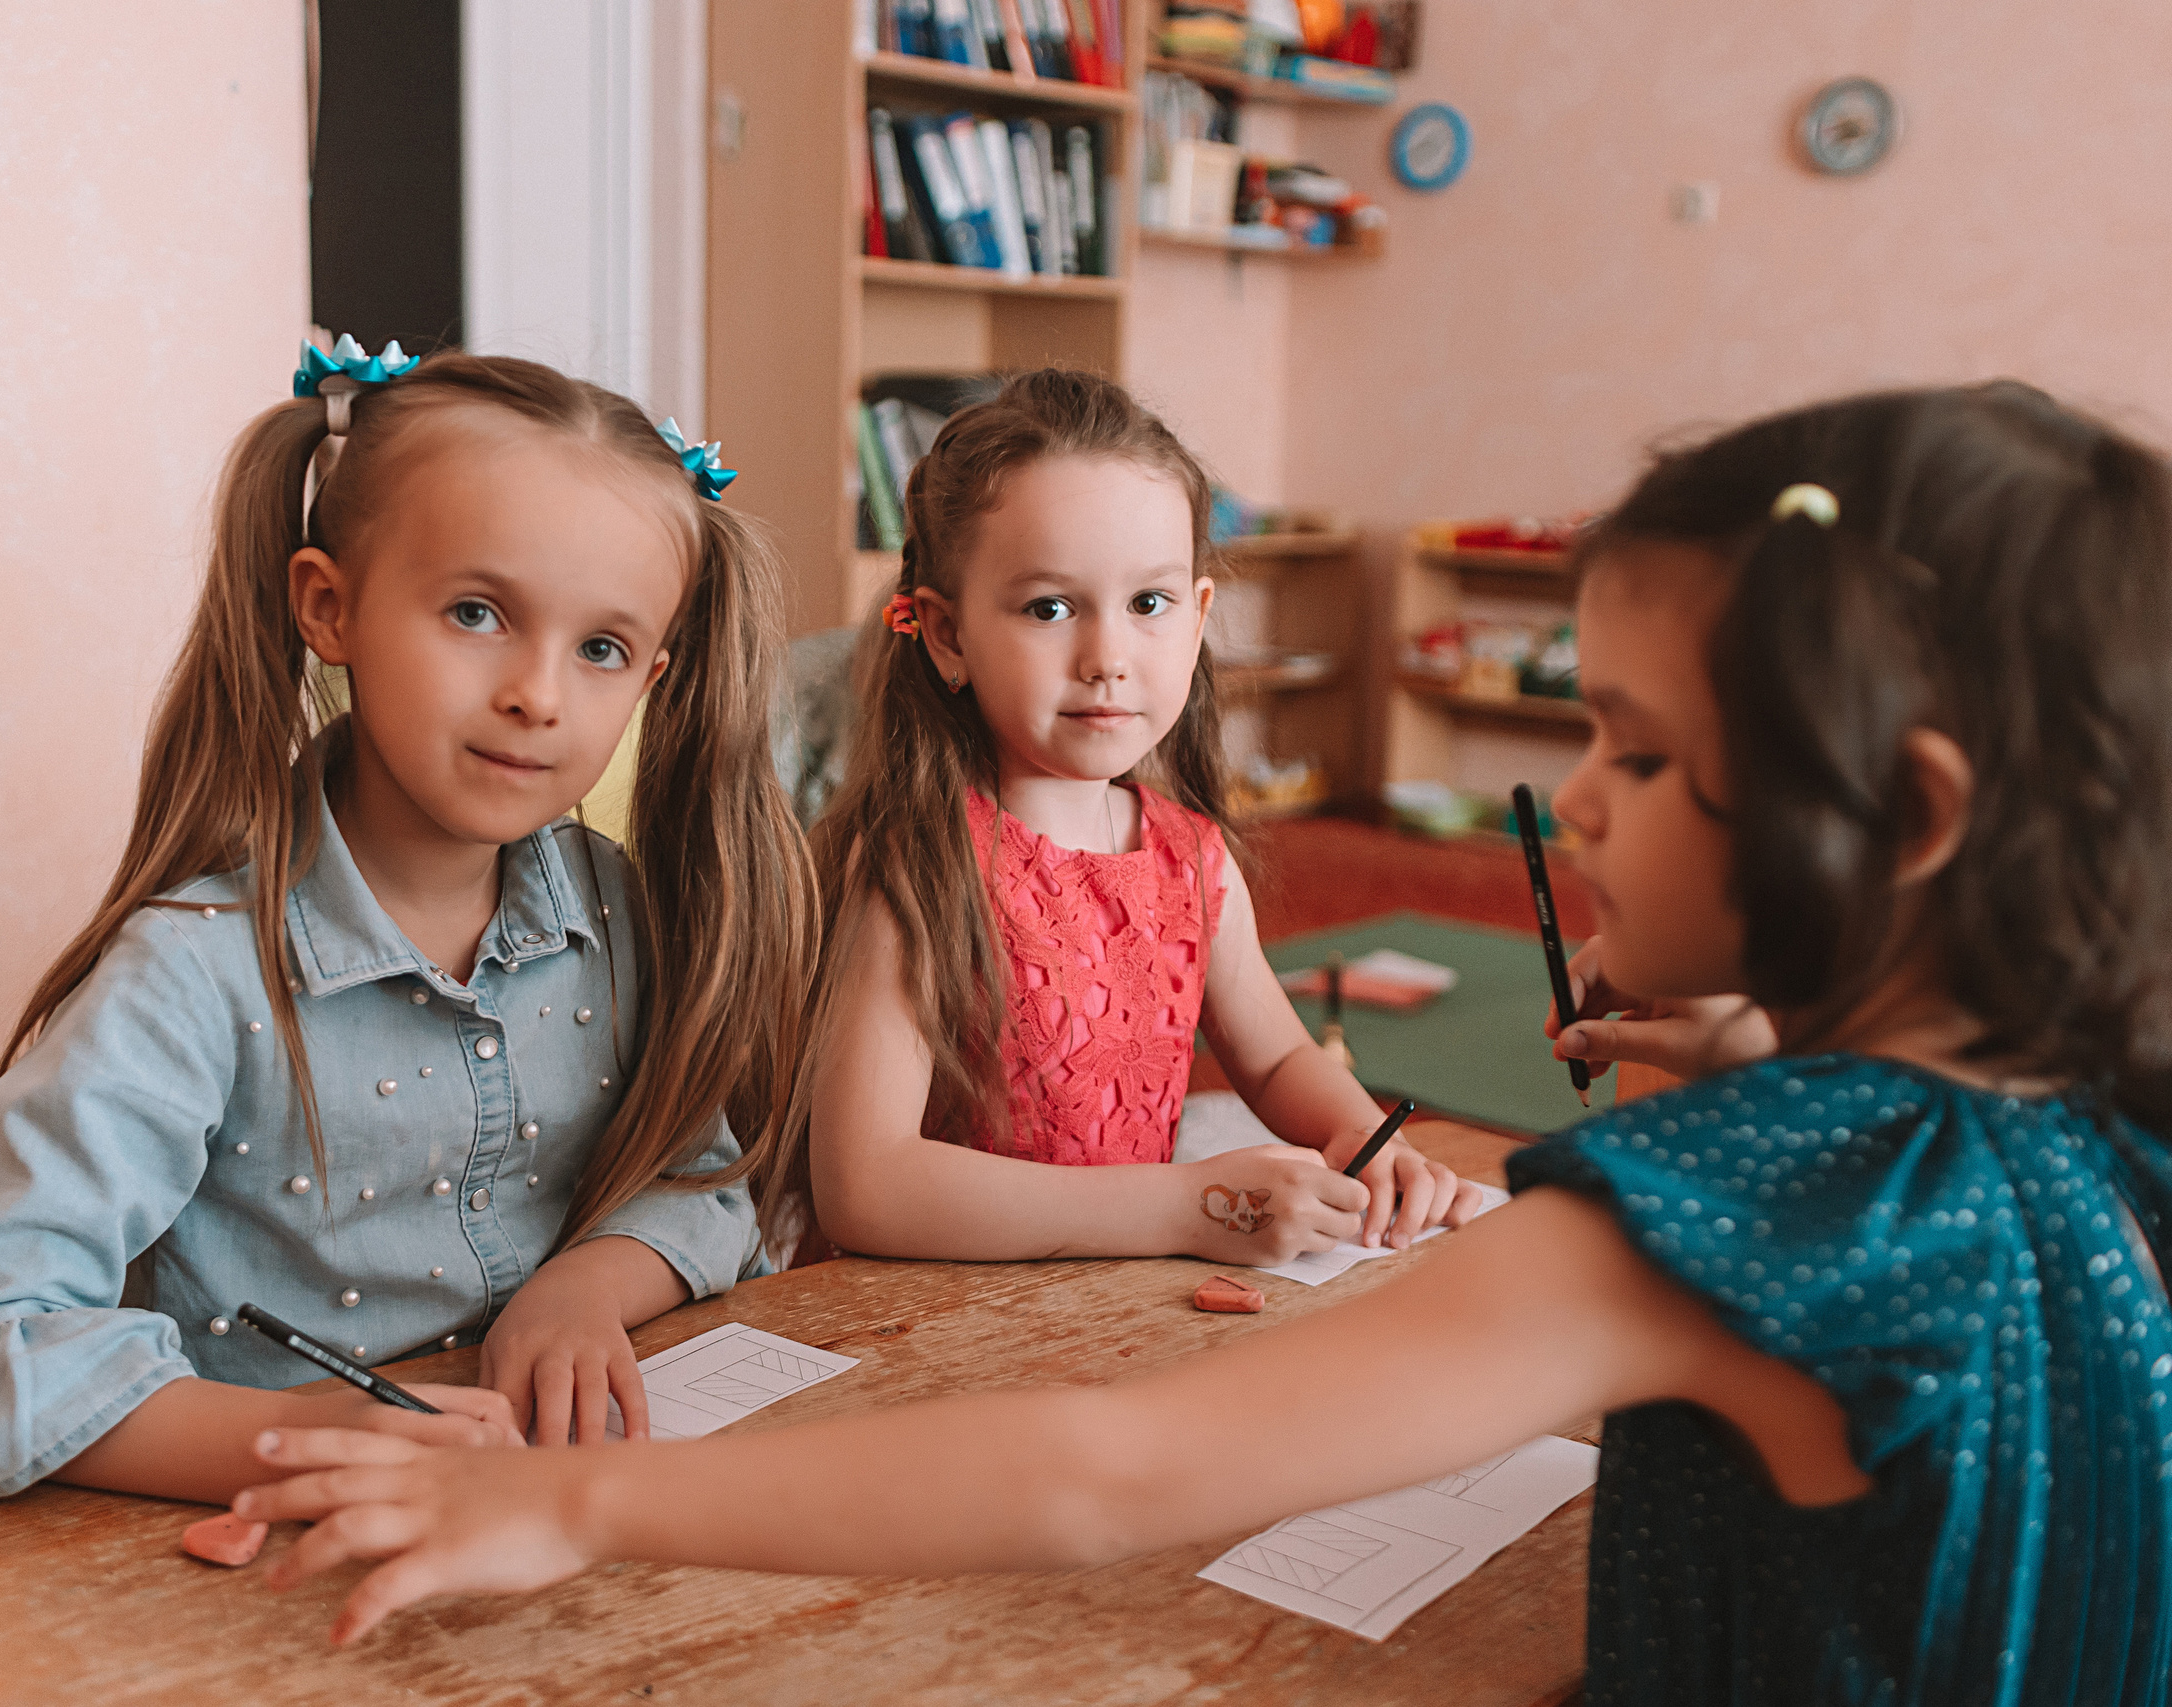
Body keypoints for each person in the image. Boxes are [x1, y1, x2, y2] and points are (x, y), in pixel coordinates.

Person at [238, 383, 2172, 1702]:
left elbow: (1102, 1474)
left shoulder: (1716, 1219)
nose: (1572, 804)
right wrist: (1764, 1035)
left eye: (1641, 754)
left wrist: (568, 1497)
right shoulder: (2104, 1127)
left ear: (1907, 824)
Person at [0, 346, 814, 1506]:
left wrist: (579, 1287)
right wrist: (302, 1437)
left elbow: (696, 1178)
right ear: (329, 608)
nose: (539, 694)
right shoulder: (189, 972)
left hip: (535, 1525)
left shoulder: (613, 908)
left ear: (652, 677)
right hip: (244, 1551)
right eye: (477, 612)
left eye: (600, 649)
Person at [781, 369, 1475, 1269]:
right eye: (1050, 607)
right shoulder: (920, 866)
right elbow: (865, 1186)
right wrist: (1191, 1206)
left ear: (1198, 619)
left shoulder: (1193, 858)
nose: (1107, 657)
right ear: (948, 634)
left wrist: (1368, 1141)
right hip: (932, 1319)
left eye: (1149, 603)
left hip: (1112, 1309)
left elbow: (1273, 1062)